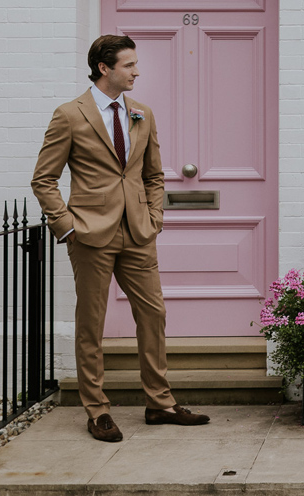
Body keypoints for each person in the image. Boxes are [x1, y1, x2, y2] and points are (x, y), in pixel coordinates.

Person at [32, 34, 209, 442]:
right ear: (104, 68)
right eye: (129, 65)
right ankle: (96, 409)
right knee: (91, 324)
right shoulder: (69, 115)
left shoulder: (141, 112)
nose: (137, 71)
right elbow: (44, 179)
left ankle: (160, 403)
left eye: (136, 64)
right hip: (90, 235)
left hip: (138, 232)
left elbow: (152, 174)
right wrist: (67, 226)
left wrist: (155, 216)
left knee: (153, 314)